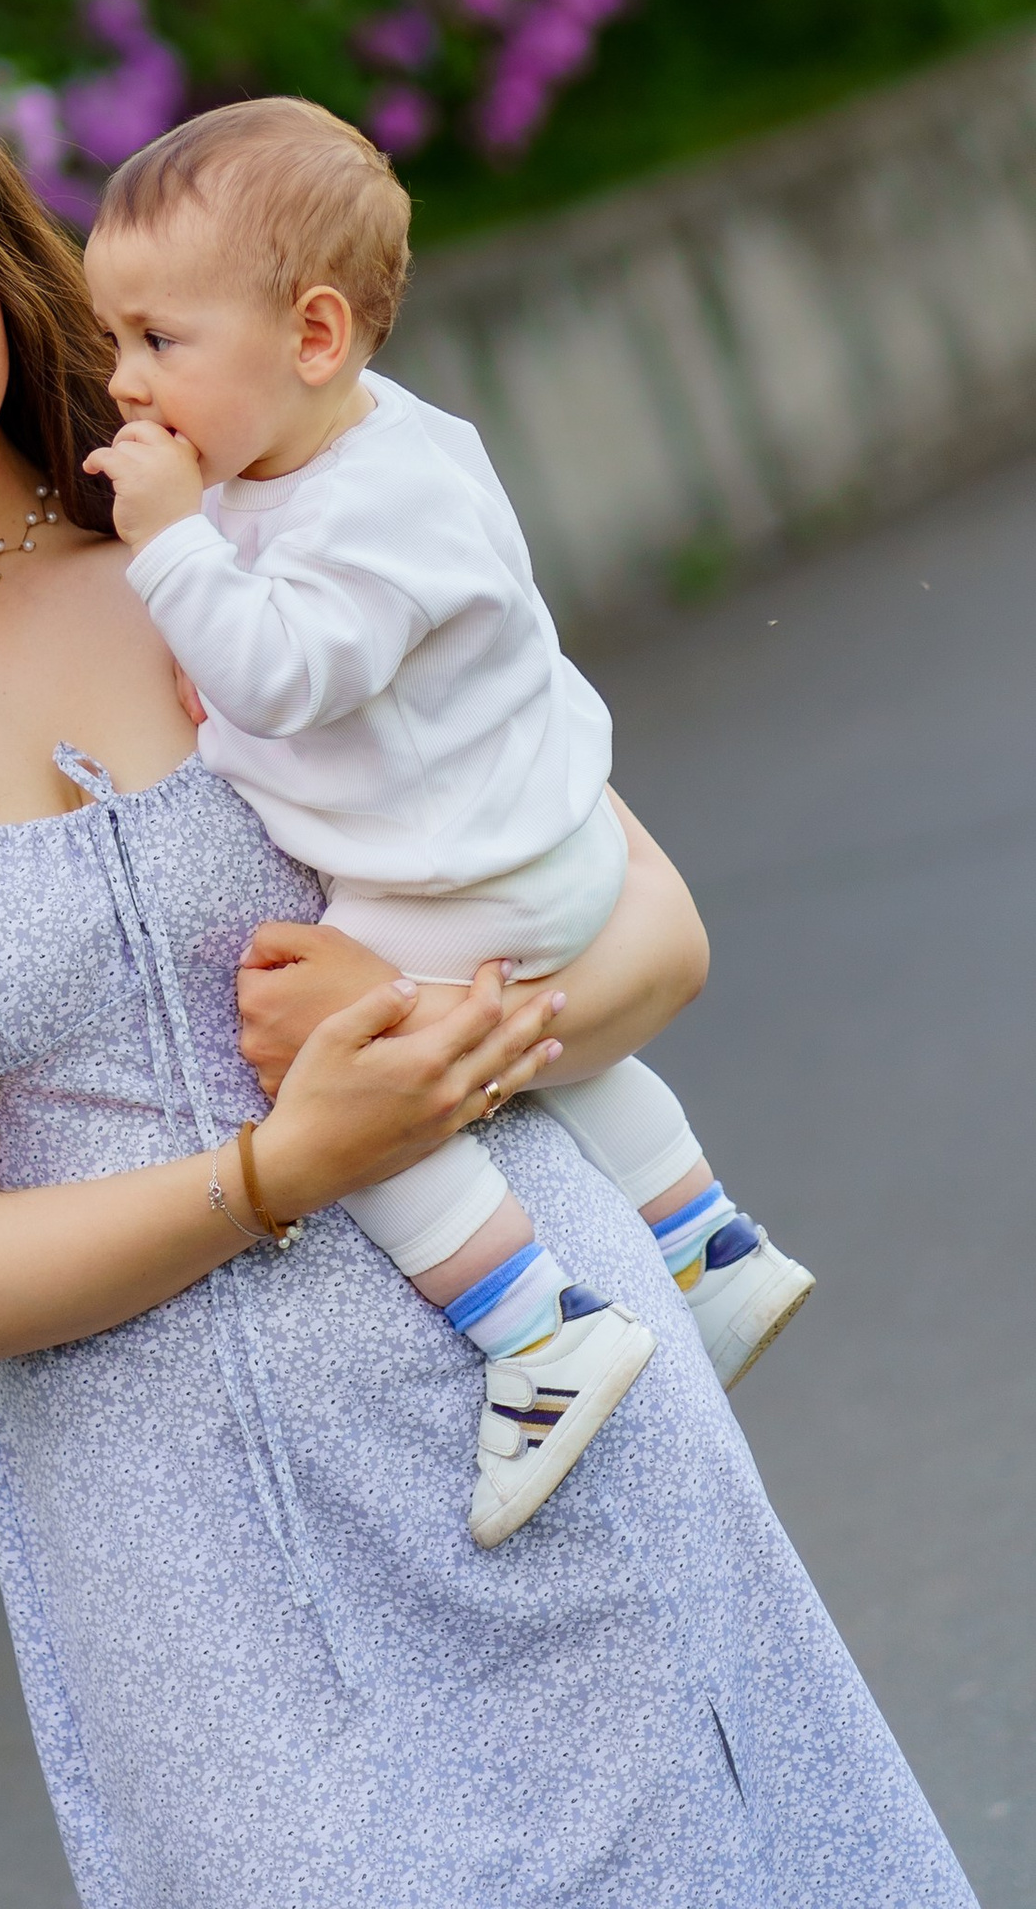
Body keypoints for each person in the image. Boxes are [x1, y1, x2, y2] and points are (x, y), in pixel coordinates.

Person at [0, 42, 971, 1909]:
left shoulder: (249, 532)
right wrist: (280, 1168)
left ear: (1, 266)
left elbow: (648, 930)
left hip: (550, 1408)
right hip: (191, 1574)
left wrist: (432, 1046)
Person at [82, 94, 810, 1549]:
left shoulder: (374, 511)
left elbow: (285, 675)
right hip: (531, 851)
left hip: (466, 872)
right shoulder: (345, 450)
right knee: (526, 1039)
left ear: (312, 338)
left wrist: (164, 546)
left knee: (337, 1067)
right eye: (115, 340)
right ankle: (704, 1239)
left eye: (161, 341)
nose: (124, 384)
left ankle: (535, 1328)